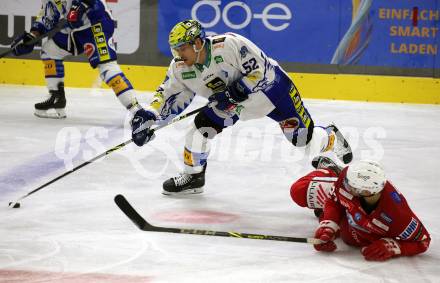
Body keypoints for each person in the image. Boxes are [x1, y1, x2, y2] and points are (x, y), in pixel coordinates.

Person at [133, 19, 353, 195]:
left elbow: (262, 71)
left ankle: (330, 135)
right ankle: (194, 176)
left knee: (302, 140)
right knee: (200, 128)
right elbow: (168, 95)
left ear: (197, 43)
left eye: (182, 49)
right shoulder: (180, 67)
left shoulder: (228, 45)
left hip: (272, 91)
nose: (178, 56)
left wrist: (236, 90)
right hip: (234, 105)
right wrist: (150, 116)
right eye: (175, 50)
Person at [11, 0, 146, 119]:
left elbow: (93, 5)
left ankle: (137, 111)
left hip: (96, 24)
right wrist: (31, 37)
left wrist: (81, 4)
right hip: (74, 32)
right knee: (49, 51)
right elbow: (48, 17)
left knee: (107, 67)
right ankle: (57, 98)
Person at [290, 156, 431, 261]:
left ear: (368, 192)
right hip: (353, 216)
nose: (345, 186)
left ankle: (325, 213)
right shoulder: (346, 180)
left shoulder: (397, 215)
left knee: (347, 235)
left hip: (355, 229)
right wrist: (329, 222)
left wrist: (394, 246)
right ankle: (333, 171)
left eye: (351, 186)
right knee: (299, 191)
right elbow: (334, 200)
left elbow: (423, 242)